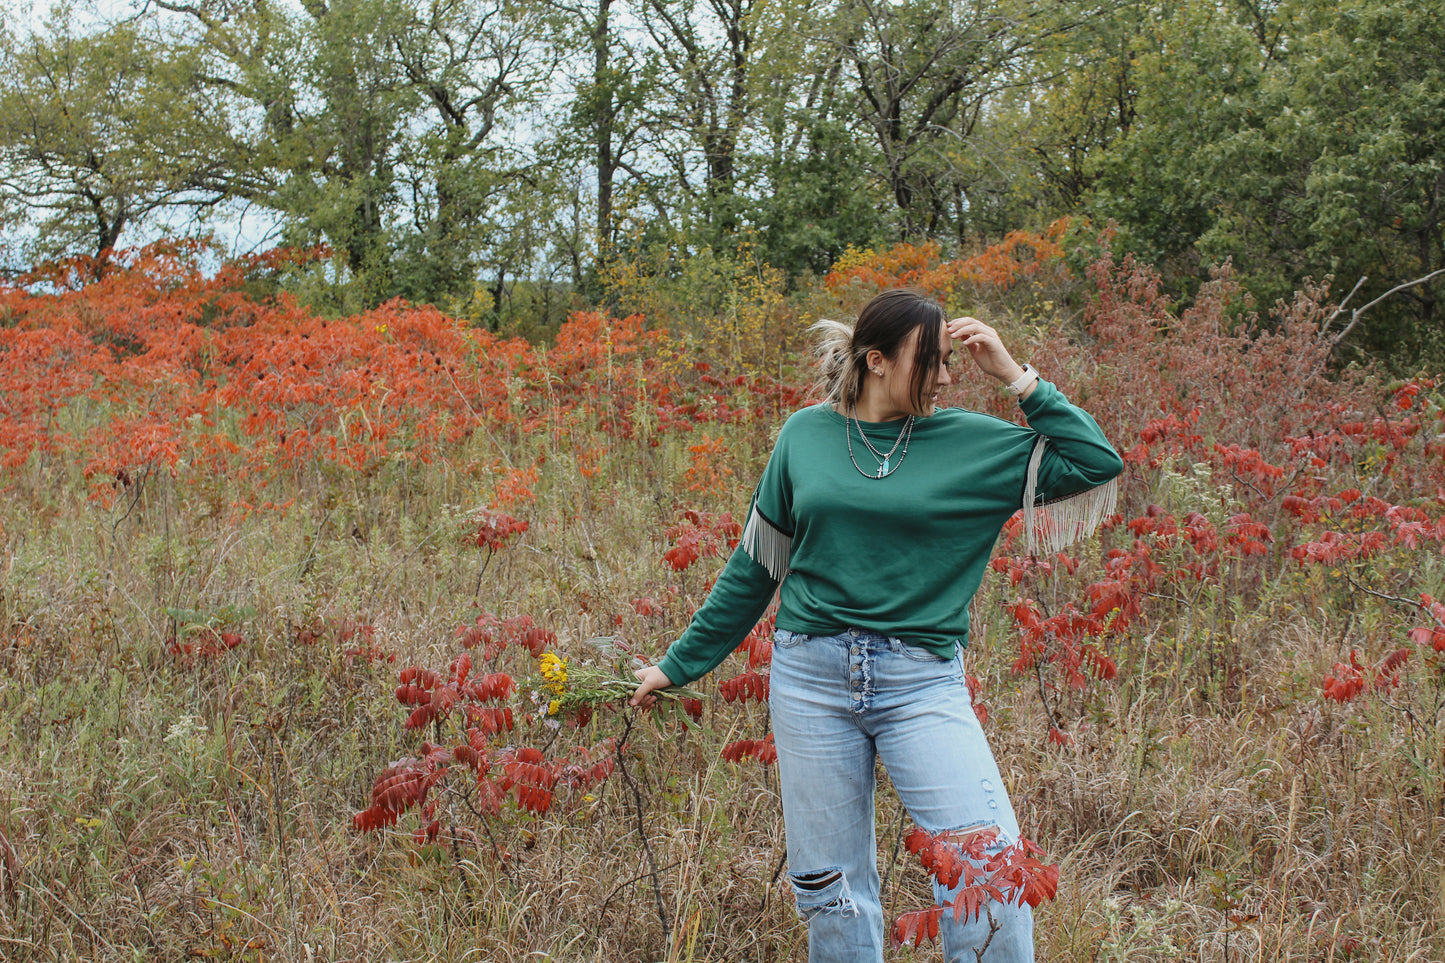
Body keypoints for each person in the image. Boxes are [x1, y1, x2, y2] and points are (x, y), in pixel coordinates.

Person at [630, 288, 1124, 962]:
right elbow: (756, 566)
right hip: (808, 680)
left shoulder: (972, 444)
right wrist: (677, 663)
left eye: (952, 361)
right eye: (934, 362)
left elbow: (1097, 461)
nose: (948, 378)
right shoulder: (804, 435)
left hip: (919, 682)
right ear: (876, 361)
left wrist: (1015, 376)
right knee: (831, 891)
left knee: (990, 873)